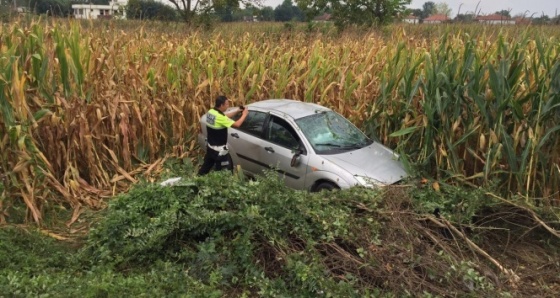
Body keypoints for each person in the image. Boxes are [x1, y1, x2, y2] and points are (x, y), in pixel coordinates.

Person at [197, 95, 248, 175]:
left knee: (205, 169)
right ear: (221, 105)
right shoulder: (220, 118)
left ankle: (196, 182)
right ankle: (219, 185)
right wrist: (244, 114)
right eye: (227, 104)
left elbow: (224, 116)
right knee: (224, 173)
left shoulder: (211, 112)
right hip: (220, 151)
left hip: (210, 148)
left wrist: (238, 110)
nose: (228, 106)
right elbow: (237, 124)